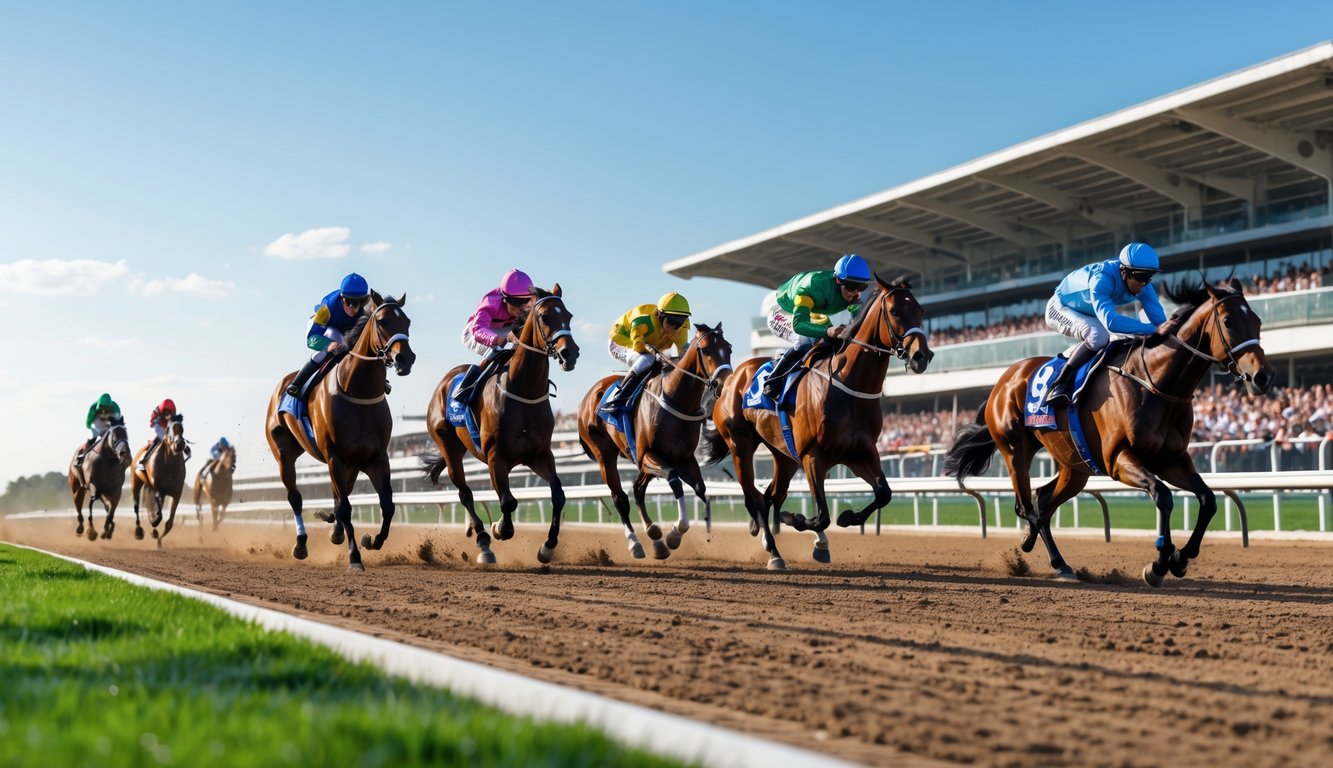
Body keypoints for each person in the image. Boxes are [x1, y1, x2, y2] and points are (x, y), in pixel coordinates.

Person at [1043, 242, 1168, 405]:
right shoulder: (1102, 278)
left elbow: (1161, 323)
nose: (1144, 283)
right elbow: (1112, 322)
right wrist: (1152, 330)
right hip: (1059, 307)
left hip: (1088, 312)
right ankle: (1059, 383)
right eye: (1140, 277)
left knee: (1126, 338)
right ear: (1124, 271)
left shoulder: (1144, 286)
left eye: (1149, 277)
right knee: (1098, 336)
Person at [761, 254, 870, 400]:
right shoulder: (811, 286)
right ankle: (772, 382)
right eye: (851, 287)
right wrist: (828, 330)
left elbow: (859, 321)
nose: (856, 293)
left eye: (861, 287)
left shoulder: (854, 295)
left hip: (812, 312)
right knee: (805, 340)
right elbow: (799, 324)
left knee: (835, 342)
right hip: (782, 310)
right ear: (838, 280)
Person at [453, 269, 536, 403]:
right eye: (517, 305)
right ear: (505, 300)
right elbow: (478, 330)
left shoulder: (528, 302)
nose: (522, 309)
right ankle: (467, 388)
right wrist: (499, 339)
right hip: (475, 332)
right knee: (495, 352)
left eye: (525, 304)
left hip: (505, 328)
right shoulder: (491, 304)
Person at [599, 291, 692, 412]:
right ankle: (618, 397)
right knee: (647, 359)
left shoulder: (683, 326)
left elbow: (681, 352)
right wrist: (660, 356)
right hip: (621, 342)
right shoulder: (644, 320)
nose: (674, 327)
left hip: (651, 344)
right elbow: (639, 347)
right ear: (660, 315)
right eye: (670, 322)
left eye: (678, 323)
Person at [285, 273, 372, 398]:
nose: (356, 309)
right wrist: (328, 345)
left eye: (361, 303)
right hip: (325, 329)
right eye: (352, 303)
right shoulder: (326, 309)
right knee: (333, 340)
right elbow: (312, 339)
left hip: (348, 330)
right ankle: (296, 384)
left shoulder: (365, 309)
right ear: (343, 299)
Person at [138, 398, 188, 472]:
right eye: (165, 413)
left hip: (172, 438)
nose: (167, 416)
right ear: (162, 413)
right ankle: (144, 460)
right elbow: (156, 428)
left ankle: (184, 455)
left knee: (179, 442)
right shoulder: (158, 418)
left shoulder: (174, 419)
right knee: (154, 443)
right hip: (161, 436)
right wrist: (164, 435)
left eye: (169, 413)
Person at [78, 393, 122, 465]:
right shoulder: (93, 407)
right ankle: (83, 455)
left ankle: (121, 455)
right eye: (102, 409)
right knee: (94, 435)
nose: (104, 411)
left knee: (116, 437)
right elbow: (88, 424)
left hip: (110, 421)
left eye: (106, 409)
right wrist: (93, 430)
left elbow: (118, 425)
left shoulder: (115, 408)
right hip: (97, 421)